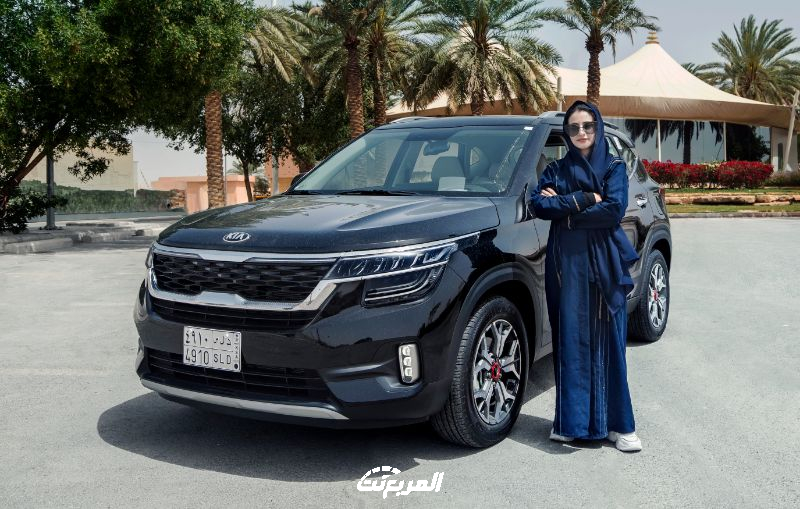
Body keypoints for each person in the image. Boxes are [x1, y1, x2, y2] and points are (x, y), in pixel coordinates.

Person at [529, 100, 642, 452]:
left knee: (610, 341)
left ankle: (621, 426)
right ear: (567, 132)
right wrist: (584, 198)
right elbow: (538, 204)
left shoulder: (613, 167)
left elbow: (613, 209)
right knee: (570, 341)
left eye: (588, 126)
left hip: (603, 263)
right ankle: (573, 424)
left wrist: (567, 212)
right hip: (566, 267)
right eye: (574, 127)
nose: (581, 132)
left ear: (598, 127)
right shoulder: (556, 169)